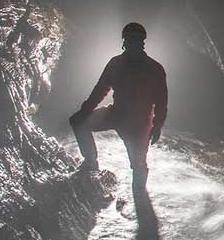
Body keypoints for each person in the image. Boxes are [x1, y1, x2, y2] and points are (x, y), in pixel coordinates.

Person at [70, 22, 168, 191]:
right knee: (78, 122)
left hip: (139, 123)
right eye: (130, 40)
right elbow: (100, 89)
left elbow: (161, 102)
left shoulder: (155, 69)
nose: (133, 44)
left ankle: (139, 195)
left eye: (136, 41)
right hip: (116, 113)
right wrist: (84, 112)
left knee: (138, 165)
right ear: (125, 42)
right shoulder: (117, 64)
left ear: (142, 43)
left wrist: (157, 126)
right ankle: (91, 162)